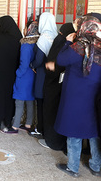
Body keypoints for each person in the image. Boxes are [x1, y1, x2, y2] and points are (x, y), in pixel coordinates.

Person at [55, 15, 101, 178]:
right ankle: (96, 165)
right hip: (95, 96)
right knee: (95, 131)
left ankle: (73, 167)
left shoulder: (80, 46)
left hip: (76, 95)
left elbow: (61, 59)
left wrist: (68, 41)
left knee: (74, 130)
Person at [41, 22, 75, 150]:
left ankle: (52, 141)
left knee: (51, 112)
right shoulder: (72, 47)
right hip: (63, 87)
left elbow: (54, 64)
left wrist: (52, 67)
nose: (59, 35)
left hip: (53, 86)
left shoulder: (62, 44)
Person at [30, 12, 58, 138]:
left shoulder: (43, 38)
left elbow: (39, 59)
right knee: (49, 104)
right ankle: (48, 130)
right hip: (53, 75)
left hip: (42, 73)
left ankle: (40, 129)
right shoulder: (56, 36)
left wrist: (32, 65)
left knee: (40, 102)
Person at [10, 21, 39, 133]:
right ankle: (28, 124)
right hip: (33, 75)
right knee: (30, 101)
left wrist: (18, 73)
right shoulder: (38, 43)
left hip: (24, 76)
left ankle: (15, 126)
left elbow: (24, 63)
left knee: (19, 101)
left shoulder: (26, 45)